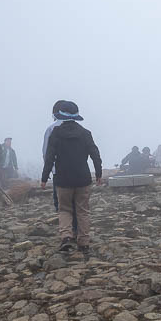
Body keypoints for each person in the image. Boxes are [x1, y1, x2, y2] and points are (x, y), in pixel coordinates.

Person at [41, 101, 102, 253]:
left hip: (63, 179)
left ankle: (66, 237)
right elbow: (95, 155)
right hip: (83, 178)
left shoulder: (56, 133)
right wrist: (99, 174)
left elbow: (49, 157)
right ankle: (84, 242)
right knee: (83, 211)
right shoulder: (85, 133)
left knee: (65, 210)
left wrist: (44, 177)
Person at [44, 100, 76, 235]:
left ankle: (66, 231)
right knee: (77, 202)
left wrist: (48, 171)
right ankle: (77, 229)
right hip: (77, 170)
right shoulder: (78, 128)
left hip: (59, 171)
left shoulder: (51, 129)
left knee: (61, 204)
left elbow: (46, 152)